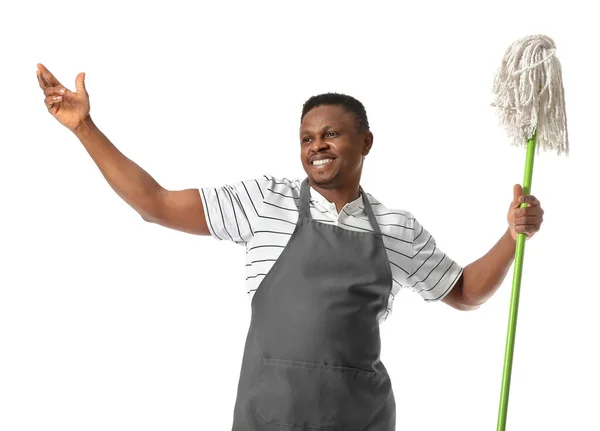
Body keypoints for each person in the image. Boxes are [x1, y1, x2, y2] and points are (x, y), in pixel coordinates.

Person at [36, 63, 545, 430]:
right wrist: (84, 126)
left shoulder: (394, 227)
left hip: (360, 420)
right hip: (268, 420)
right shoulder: (265, 202)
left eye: (331, 134)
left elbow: (464, 291)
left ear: (366, 142)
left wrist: (511, 235)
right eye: (306, 138)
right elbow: (154, 203)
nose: (316, 146)